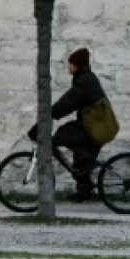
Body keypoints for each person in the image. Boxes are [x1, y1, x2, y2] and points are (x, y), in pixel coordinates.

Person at [29, 47, 106, 201]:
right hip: (94, 124)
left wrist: (47, 116)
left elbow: (67, 103)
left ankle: (87, 160)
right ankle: (83, 192)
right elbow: (69, 102)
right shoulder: (84, 78)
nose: (68, 67)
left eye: (70, 64)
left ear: (77, 65)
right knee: (79, 158)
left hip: (96, 126)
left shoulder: (84, 81)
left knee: (61, 135)